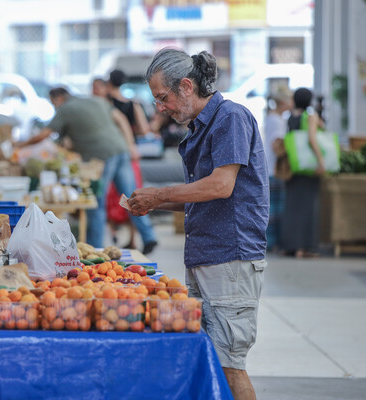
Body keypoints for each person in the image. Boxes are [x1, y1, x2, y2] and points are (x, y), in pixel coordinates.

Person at [127, 48, 268, 400]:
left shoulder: (230, 118)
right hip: (208, 255)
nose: (160, 108)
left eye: (163, 98)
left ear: (186, 86)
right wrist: (155, 203)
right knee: (210, 361)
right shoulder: (203, 126)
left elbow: (221, 186)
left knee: (229, 365)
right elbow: (203, 196)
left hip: (230, 259)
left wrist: (160, 194)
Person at [17, 87, 158, 254]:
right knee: (132, 195)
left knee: (95, 202)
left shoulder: (65, 109)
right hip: (120, 149)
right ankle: (149, 236)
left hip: (100, 157)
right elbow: (120, 119)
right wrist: (130, 144)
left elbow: (43, 135)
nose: (54, 107)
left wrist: (20, 145)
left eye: (52, 102)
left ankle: (94, 248)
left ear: (58, 98)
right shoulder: (95, 100)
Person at [92, 77, 141, 249]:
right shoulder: (127, 104)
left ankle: (132, 238)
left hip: (116, 155)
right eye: (93, 88)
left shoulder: (107, 106)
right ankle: (137, 238)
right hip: (120, 154)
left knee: (121, 199)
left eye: (98, 87)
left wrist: (131, 146)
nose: (95, 91)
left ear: (108, 87)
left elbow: (126, 124)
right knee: (123, 199)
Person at [280, 88, 325, 258]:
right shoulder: (311, 117)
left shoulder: (291, 117)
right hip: (309, 167)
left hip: (294, 166)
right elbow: (312, 139)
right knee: (308, 208)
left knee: (292, 207)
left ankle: (290, 246)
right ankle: (303, 248)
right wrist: (321, 161)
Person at [263, 85, 293, 252]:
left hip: (271, 168)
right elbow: (277, 144)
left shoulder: (273, 117)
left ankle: (271, 241)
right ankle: (272, 242)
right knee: (275, 208)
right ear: (283, 101)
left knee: (272, 207)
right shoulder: (276, 120)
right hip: (275, 169)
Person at [106, 69, 151, 137]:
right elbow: (144, 130)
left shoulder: (105, 103)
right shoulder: (134, 104)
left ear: (109, 82)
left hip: (111, 142)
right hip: (128, 143)